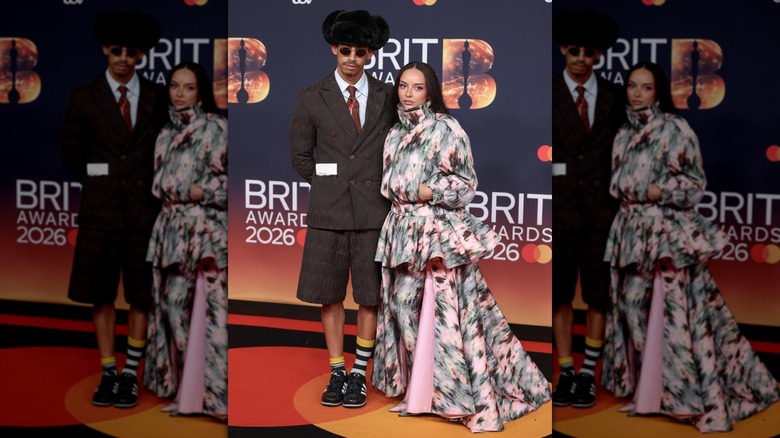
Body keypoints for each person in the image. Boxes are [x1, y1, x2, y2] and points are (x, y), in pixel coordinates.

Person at [371, 61, 551, 433]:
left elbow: (467, 185)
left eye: (417, 87)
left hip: (436, 236)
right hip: (402, 232)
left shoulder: (447, 128)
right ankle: (419, 391)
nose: (407, 93)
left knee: (443, 318)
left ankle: (449, 397)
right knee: (403, 309)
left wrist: (430, 191)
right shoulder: (392, 134)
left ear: (431, 92)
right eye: (403, 86)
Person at [601, 61, 780, 432]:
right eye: (632, 86)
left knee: (670, 317)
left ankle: (675, 395)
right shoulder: (621, 133)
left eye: (645, 87)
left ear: (659, 91)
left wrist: (659, 190)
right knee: (632, 309)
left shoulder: (675, 128)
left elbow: (695, 184)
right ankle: (644, 391)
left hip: (666, 237)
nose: (636, 93)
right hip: (629, 233)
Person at [61, 9, 168, 409]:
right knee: (100, 295)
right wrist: (106, 177)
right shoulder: (83, 98)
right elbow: (71, 158)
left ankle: (130, 374)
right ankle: (108, 371)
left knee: (141, 297)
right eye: (117, 50)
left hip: (144, 217)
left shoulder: (157, 98)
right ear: (106, 50)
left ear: (141, 55)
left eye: (132, 52)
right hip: (99, 216)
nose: (124, 58)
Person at [289, 10, 395, 409]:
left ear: (371, 54)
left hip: (373, 215)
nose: (352, 58)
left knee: (370, 297)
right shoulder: (311, 97)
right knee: (329, 296)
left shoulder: (387, 96)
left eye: (361, 52)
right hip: (328, 215)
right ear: (334, 48)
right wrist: (331, 181)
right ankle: (337, 370)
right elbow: (301, 157)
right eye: (346, 50)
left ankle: (359, 375)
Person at [143, 61, 228, 420]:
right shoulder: (163, 133)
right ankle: (186, 392)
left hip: (207, 235)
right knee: (173, 309)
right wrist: (180, 191)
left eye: (188, 87)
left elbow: (231, 185)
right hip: (171, 232)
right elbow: (158, 184)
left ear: (201, 91)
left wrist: (200, 190)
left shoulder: (216, 128)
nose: (179, 94)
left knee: (212, 316)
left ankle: (216, 399)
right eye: (174, 86)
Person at [550, 9, 625, 409]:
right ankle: (564, 372)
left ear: (599, 56)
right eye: (574, 50)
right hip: (559, 218)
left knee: (599, 297)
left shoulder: (615, 97)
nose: (581, 57)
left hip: (601, 218)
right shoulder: (547, 94)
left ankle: (587, 375)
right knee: (559, 297)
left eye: (589, 52)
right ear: (564, 49)